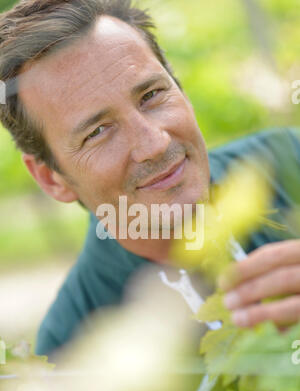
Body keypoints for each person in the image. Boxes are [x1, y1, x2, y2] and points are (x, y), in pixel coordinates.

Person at [0, 0, 300, 362]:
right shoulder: (72, 353)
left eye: (152, 95)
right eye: (97, 131)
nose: (155, 143)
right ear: (52, 179)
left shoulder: (291, 159)